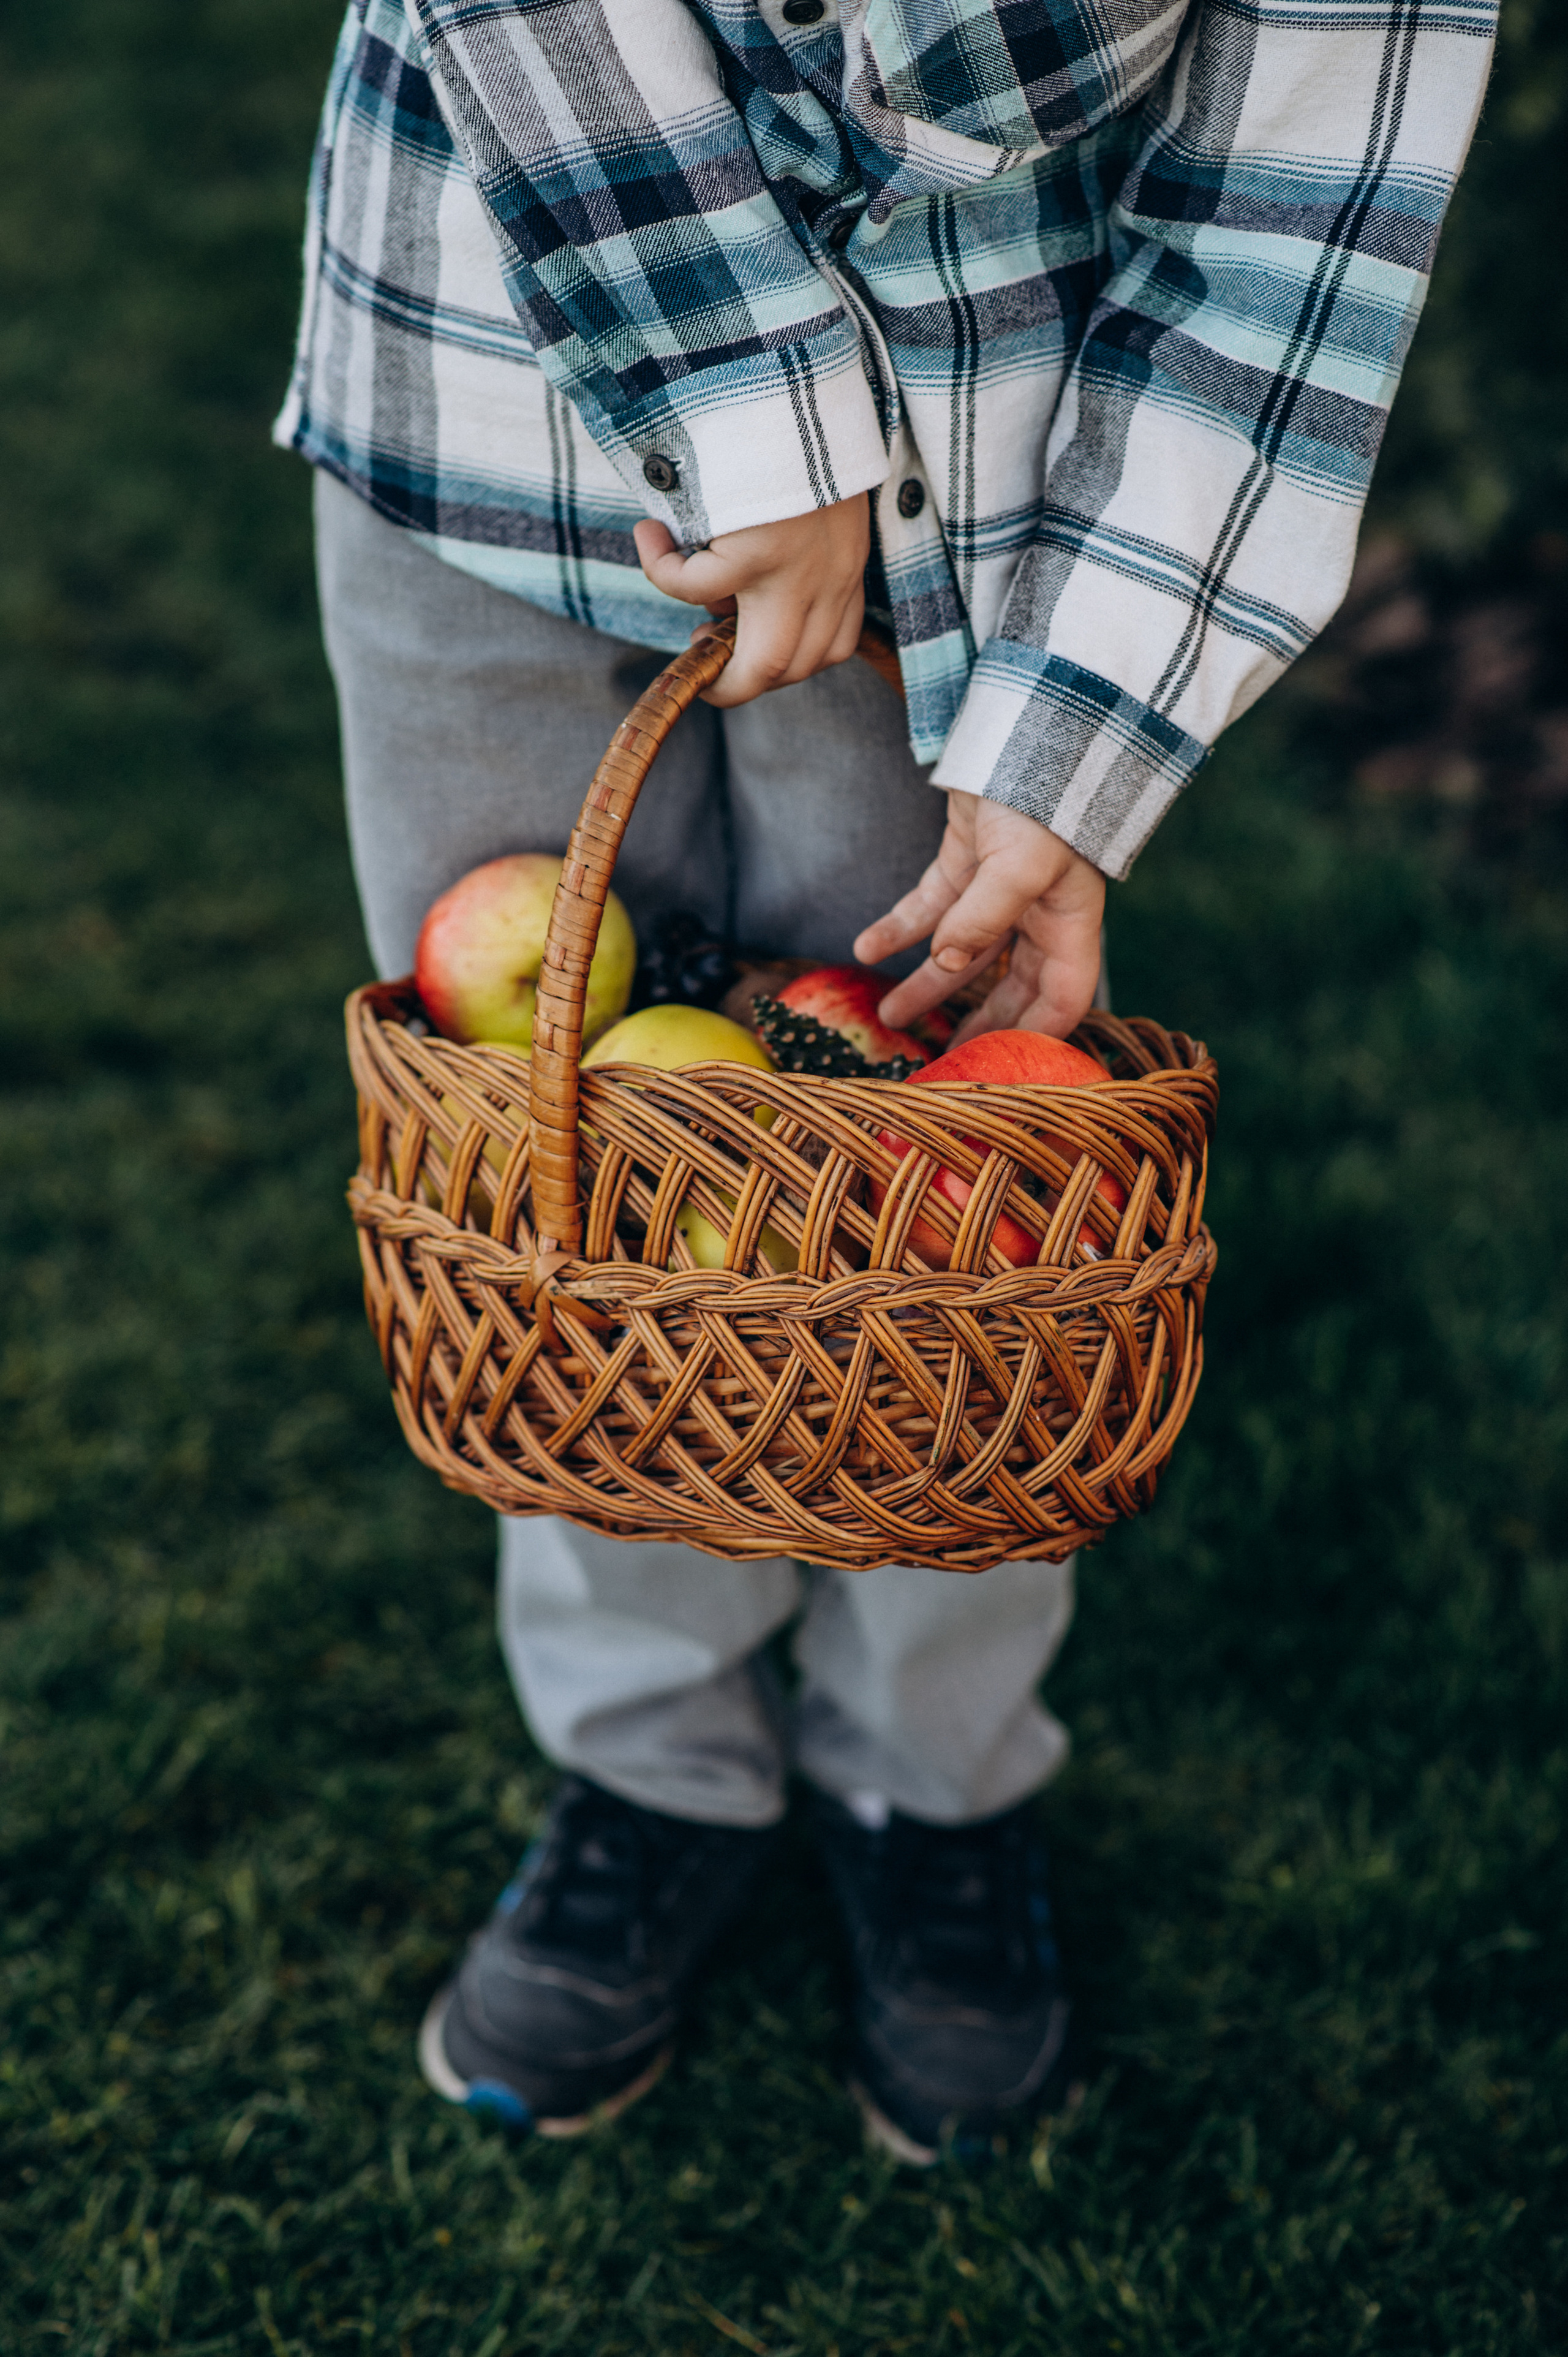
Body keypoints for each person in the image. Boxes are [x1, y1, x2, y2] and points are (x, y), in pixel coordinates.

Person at [277, 0, 1494, 2163]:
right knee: (565, 1217)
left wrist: (1076, 750)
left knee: (950, 1250)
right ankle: (654, 1763)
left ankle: (930, 1779)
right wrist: (751, 409)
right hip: (488, 370)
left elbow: (1297, 216)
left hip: (981, 503)